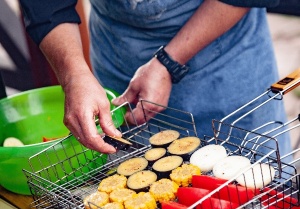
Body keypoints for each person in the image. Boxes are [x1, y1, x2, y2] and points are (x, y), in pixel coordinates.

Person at [19, 0, 291, 159]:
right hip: (119, 46)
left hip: (223, 53)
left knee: (255, 200)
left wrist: (168, 63)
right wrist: (74, 74)